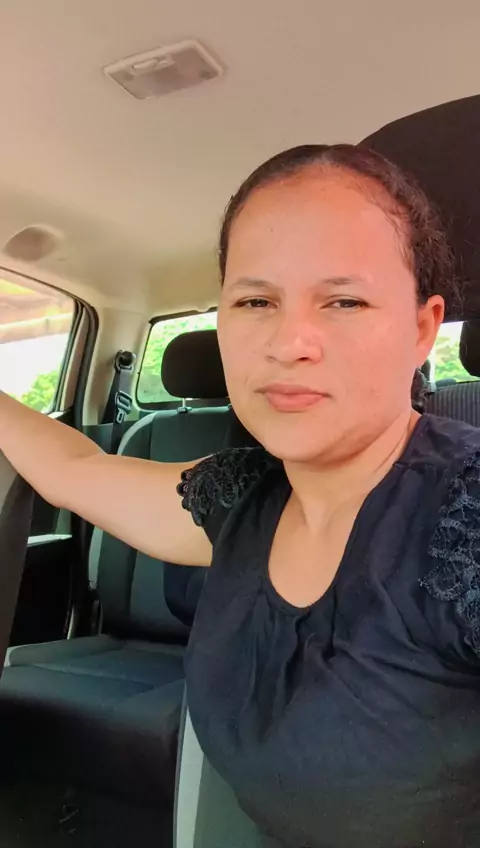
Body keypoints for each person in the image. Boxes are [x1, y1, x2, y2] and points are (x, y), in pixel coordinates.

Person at [0, 144, 478, 848]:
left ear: (421, 329)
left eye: (344, 300)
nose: (289, 342)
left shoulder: (465, 520)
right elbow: (74, 469)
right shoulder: (241, 498)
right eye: (256, 301)